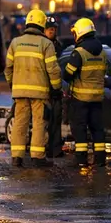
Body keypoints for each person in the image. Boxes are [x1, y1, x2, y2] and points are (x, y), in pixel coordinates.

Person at [4, 8, 61, 168]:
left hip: (19, 92)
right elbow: (53, 69)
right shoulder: (46, 44)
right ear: (42, 25)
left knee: (20, 123)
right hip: (39, 92)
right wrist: (56, 87)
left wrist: (12, 85)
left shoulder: (15, 43)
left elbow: (8, 68)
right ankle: (37, 157)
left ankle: (17, 157)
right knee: (39, 123)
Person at [63, 17, 107, 167]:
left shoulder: (79, 53)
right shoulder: (102, 53)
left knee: (80, 129)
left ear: (80, 33)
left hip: (80, 98)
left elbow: (68, 74)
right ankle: (100, 160)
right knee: (97, 129)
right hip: (97, 98)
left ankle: (81, 160)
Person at [43, 16, 64, 158]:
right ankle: (41, 149)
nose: (52, 30)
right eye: (50, 28)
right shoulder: (41, 45)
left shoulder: (58, 45)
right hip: (42, 89)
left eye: (54, 28)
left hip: (55, 89)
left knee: (56, 120)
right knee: (42, 122)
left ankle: (55, 149)